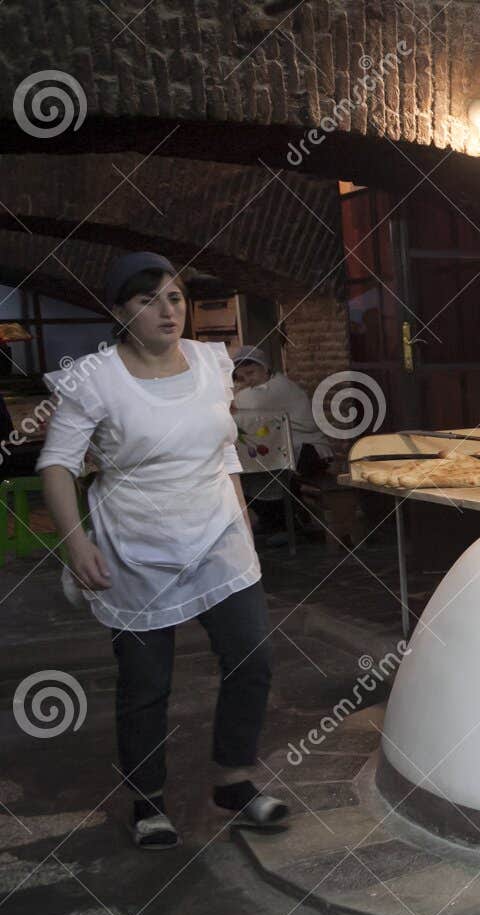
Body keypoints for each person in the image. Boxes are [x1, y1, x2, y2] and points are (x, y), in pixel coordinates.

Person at [37, 252, 289, 849]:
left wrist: (242, 518)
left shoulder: (211, 362)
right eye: (148, 300)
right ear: (121, 312)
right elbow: (57, 464)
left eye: (174, 297)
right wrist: (76, 545)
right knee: (146, 682)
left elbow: (224, 447)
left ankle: (232, 778)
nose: (167, 310)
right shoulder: (95, 378)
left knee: (251, 659)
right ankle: (148, 800)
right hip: (137, 544)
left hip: (218, 531)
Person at [229, 345, 331, 535]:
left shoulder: (277, 388)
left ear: (265, 369)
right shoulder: (262, 387)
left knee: (258, 470)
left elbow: (245, 403)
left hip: (310, 451)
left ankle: (285, 524)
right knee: (249, 470)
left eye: (251, 373)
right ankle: (277, 522)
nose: (248, 381)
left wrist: (236, 391)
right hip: (283, 446)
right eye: (242, 377)